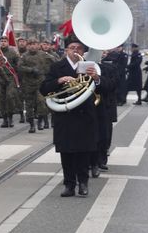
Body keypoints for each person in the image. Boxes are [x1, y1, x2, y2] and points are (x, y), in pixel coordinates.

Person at [40, 33, 112, 197]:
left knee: (84, 153)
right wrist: (58, 81)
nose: (75, 50)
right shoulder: (57, 67)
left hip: (85, 117)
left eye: (78, 48)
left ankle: (83, 183)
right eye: (72, 48)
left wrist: (97, 78)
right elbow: (44, 88)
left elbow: (108, 88)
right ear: (66, 50)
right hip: (65, 116)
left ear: (83, 51)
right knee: (67, 153)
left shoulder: (90, 66)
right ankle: (69, 185)